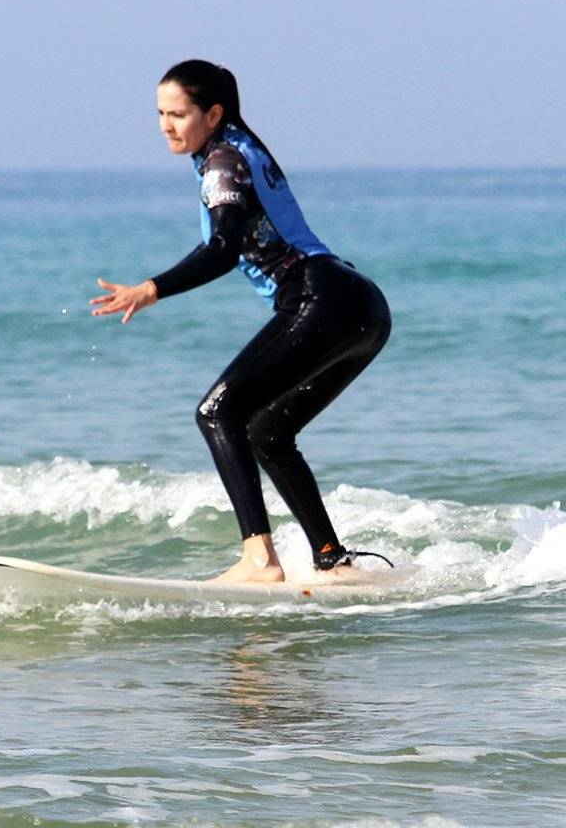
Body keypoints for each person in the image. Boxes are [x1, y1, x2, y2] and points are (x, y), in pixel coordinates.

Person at [90, 60, 392, 584]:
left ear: (213, 114)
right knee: (268, 432)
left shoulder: (223, 161)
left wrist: (153, 288)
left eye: (178, 115)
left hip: (320, 299)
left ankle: (259, 558)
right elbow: (230, 238)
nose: (165, 126)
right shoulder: (239, 149)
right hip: (361, 307)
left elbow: (224, 249)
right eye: (160, 114)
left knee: (217, 413)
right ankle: (330, 558)